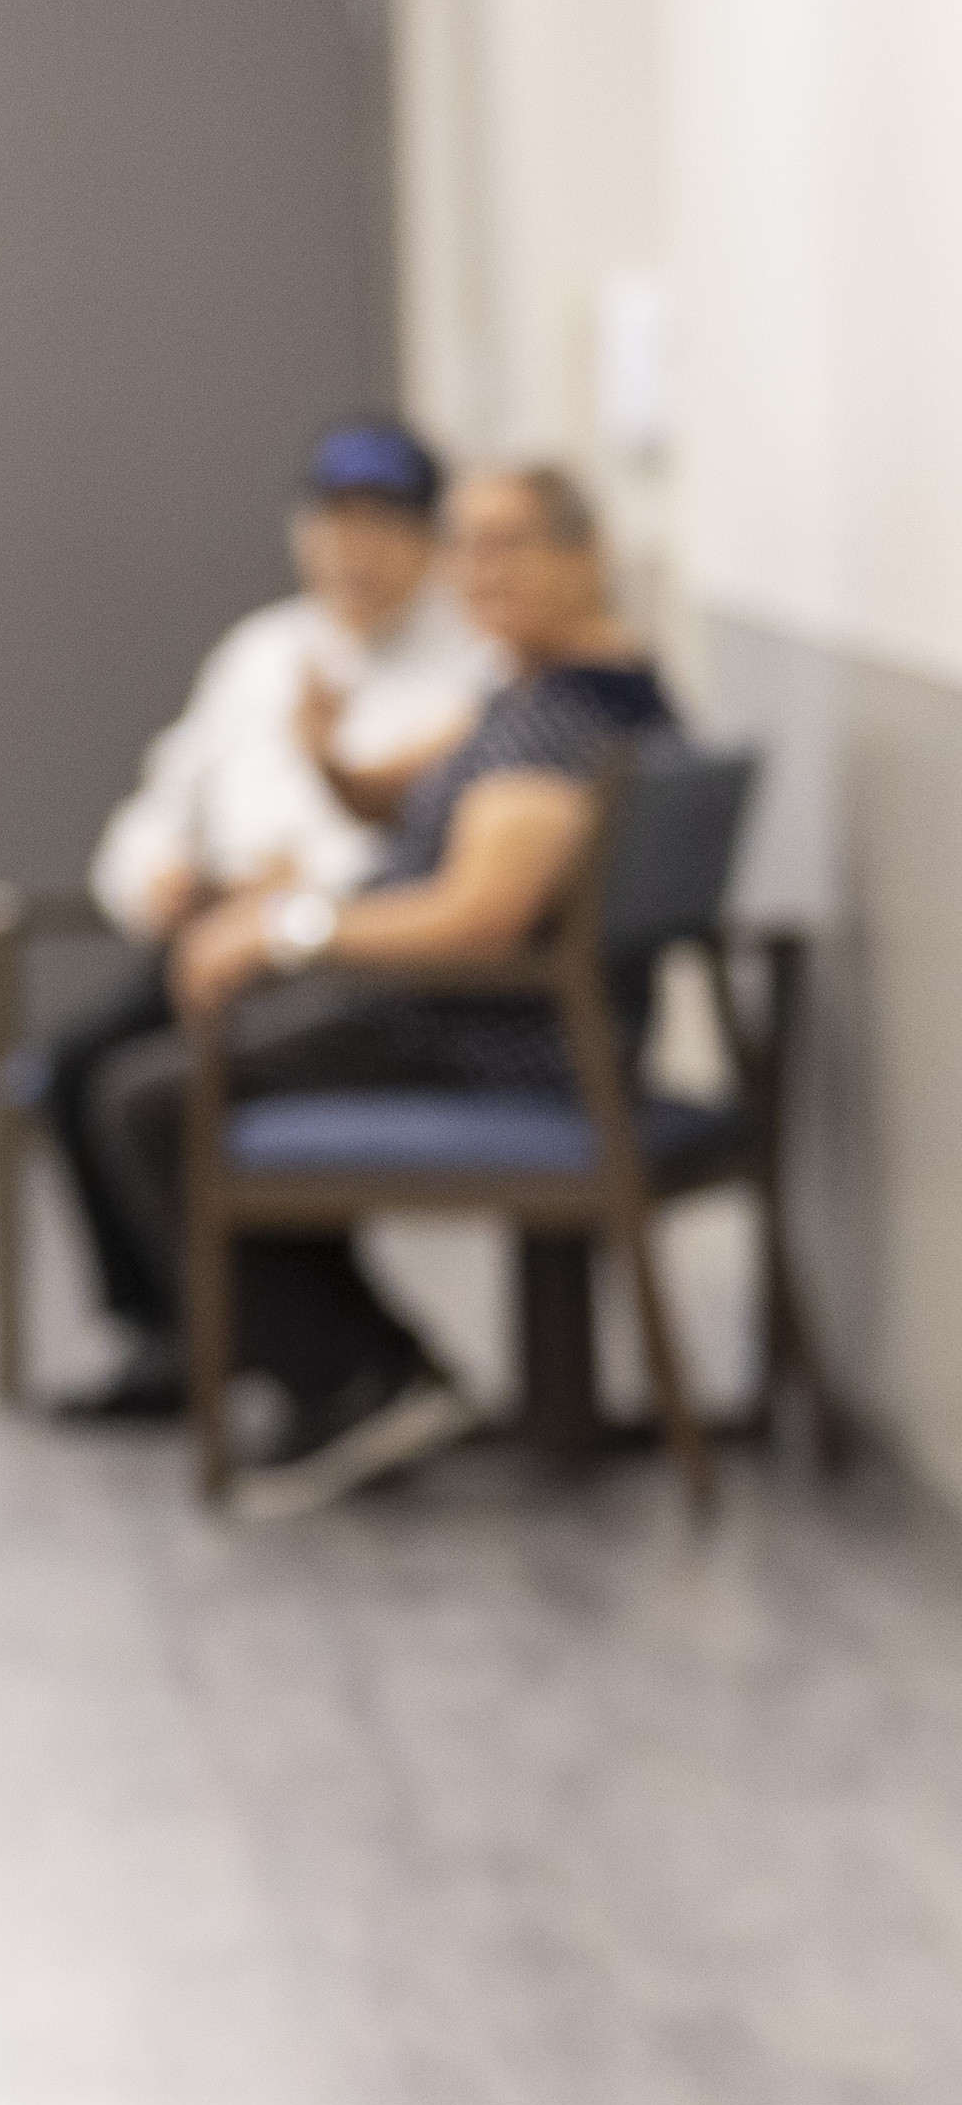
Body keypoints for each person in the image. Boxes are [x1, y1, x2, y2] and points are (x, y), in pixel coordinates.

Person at [87, 464, 675, 1514]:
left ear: (584, 554)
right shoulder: (542, 684)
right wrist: (325, 755)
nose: (480, 571)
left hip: (478, 1035)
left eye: (511, 543)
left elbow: (476, 916)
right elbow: (404, 786)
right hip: (470, 1016)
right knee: (165, 1060)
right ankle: (369, 1366)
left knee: (151, 1100)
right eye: (466, 546)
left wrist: (286, 928)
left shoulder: (561, 724)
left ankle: (361, 1375)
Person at [36, 420, 492, 1414]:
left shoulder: (468, 671)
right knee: (75, 1067)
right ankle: (168, 1334)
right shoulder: (263, 650)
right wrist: (154, 874)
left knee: (166, 1096)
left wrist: (293, 890)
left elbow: (421, 858)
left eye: (381, 523)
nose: (352, 548)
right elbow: (163, 799)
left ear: (428, 539)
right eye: (333, 522)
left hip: (332, 957)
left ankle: (341, 1359)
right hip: (212, 937)